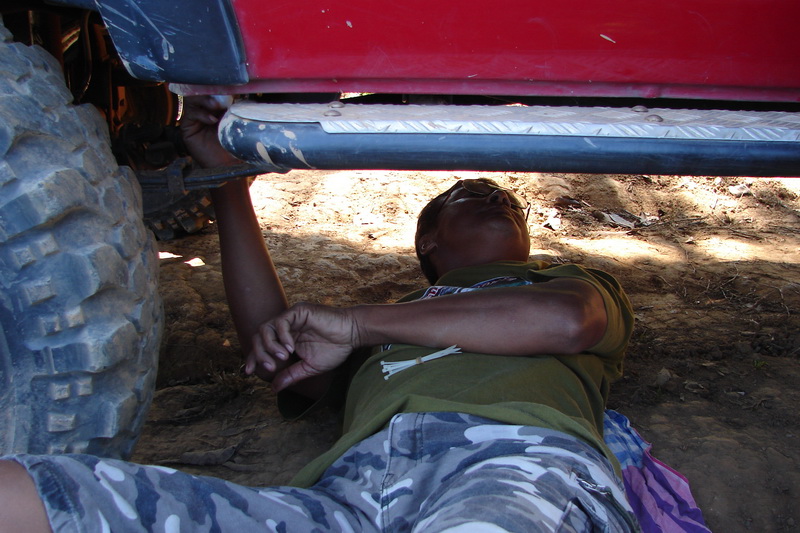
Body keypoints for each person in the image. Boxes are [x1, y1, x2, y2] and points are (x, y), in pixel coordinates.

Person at [0, 96, 640, 532]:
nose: (495, 193)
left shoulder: (566, 282)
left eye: (507, 200)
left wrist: (358, 324)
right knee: (29, 492)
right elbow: (276, 347)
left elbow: (564, 323)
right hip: (353, 492)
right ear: (427, 242)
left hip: (514, 465)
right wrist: (226, 181)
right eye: (465, 194)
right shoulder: (398, 320)